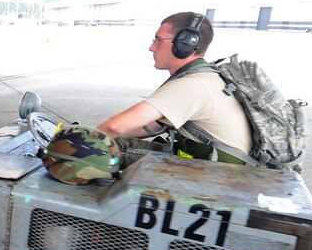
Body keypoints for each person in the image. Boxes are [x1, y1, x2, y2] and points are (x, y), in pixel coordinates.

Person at [96, 12, 251, 165]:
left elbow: (115, 126)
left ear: (184, 44)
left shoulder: (194, 84)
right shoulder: (203, 76)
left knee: (94, 158)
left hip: (219, 176)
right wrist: (98, 133)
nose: (151, 47)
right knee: (114, 145)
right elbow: (151, 126)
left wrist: (82, 139)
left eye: (158, 40)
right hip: (209, 165)